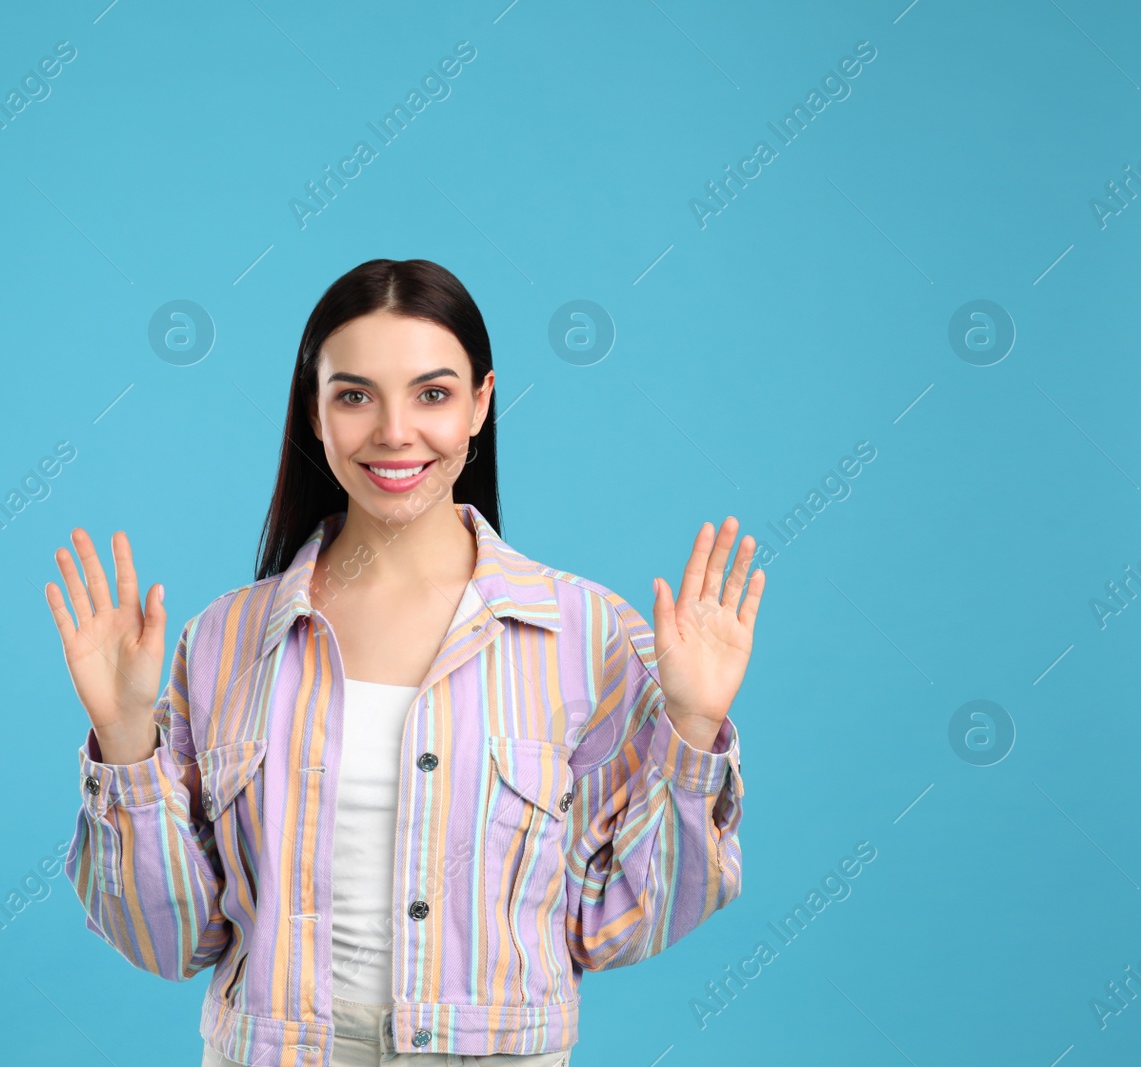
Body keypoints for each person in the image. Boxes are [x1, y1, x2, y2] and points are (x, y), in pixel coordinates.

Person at [46, 259, 762, 1067]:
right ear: (314, 412)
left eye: (433, 393)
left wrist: (693, 728)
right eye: (354, 395)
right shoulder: (225, 641)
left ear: (481, 403)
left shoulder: (584, 635)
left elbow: (613, 920)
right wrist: (125, 736)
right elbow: (169, 939)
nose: (393, 431)